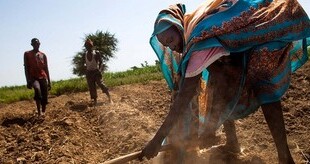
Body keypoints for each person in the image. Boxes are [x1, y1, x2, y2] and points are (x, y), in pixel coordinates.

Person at [140, 0, 310, 163]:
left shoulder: (198, 41)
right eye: (166, 45)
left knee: (264, 87)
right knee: (218, 80)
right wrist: (210, 128)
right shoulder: (193, 26)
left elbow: (184, 97)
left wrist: (157, 140)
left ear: (178, 27)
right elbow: (221, 77)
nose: (172, 47)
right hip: (249, 38)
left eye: (171, 40)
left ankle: (285, 158)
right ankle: (232, 142)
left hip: (269, 27)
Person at [24, 38, 51, 117]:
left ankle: (43, 112)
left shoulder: (43, 55)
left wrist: (49, 81)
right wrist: (27, 81)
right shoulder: (27, 54)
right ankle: (39, 112)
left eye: (37, 43)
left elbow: (46, 69)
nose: (36, 44)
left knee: (44, 94)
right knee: (37, 89)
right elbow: (26, 68)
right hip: (33, 77)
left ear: (39, 44)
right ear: (32, 44)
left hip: (42, 76)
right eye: (34, 43)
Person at [84, 39, 112, 105]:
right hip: (89, 73)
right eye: (87, 47)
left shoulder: (96, 53)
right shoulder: (85, 54)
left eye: (89, 46)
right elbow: (84, 63)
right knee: (91, 87)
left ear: (92, 46)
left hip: (96, 71)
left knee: (100, 83)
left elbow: (101, 62)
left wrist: (99, 70)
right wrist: (85, 68)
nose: (88, 48)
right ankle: (95, 101)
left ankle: (109, 98)